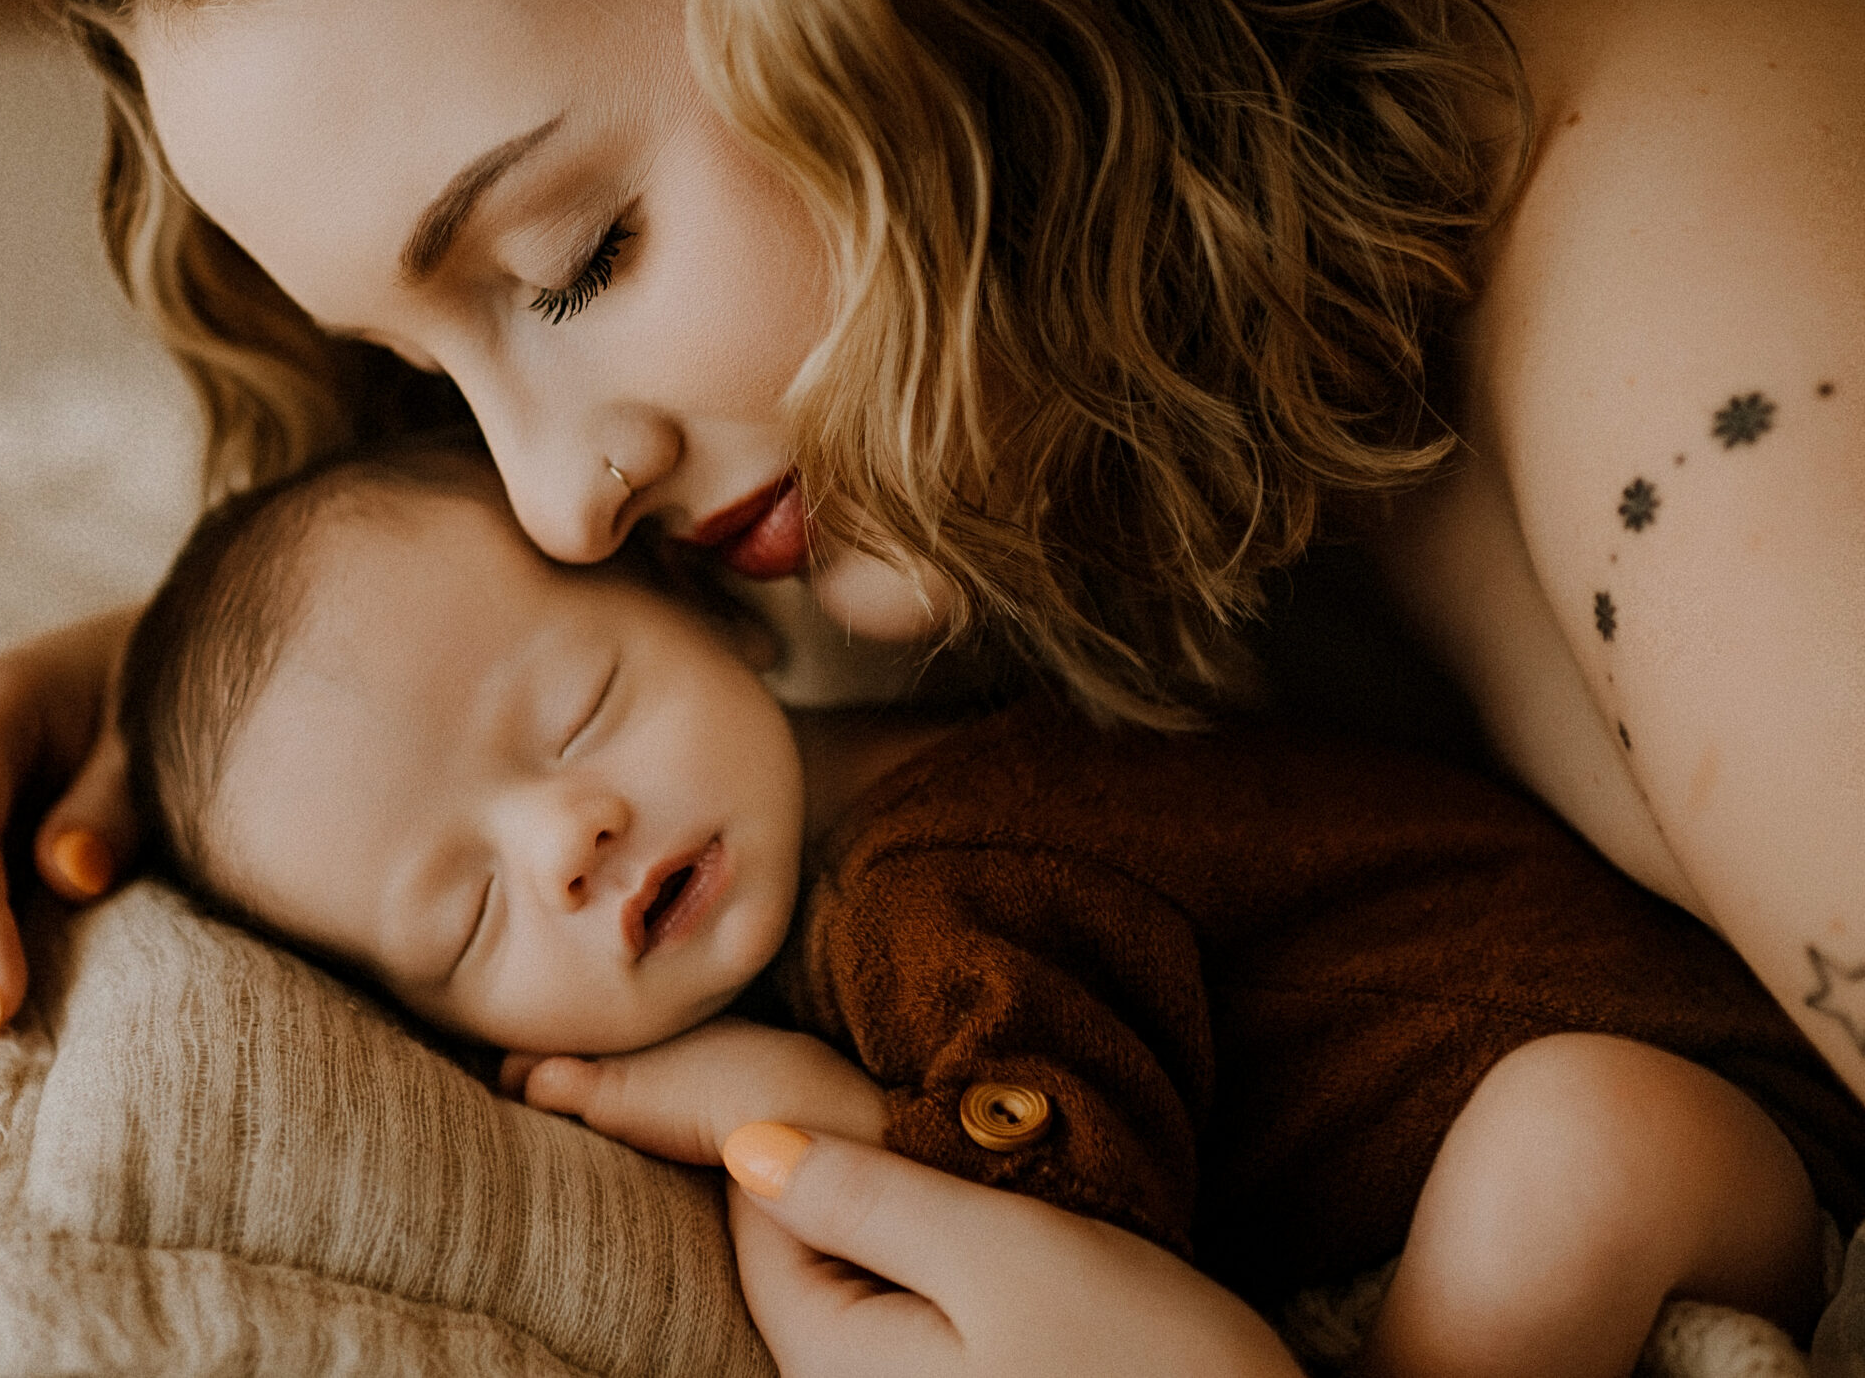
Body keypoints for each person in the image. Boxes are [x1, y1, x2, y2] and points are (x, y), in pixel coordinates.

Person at [0, 0, 1865, 1367]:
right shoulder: (1036, 360)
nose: (555, 495)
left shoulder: (1717, 368)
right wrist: (220, 682)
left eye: (575, 253)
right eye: (433, 379)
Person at [90, 443, 1853, 1376]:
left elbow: (1071, 1239)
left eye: (580, 712)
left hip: (1697, 1099)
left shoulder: (938, 874)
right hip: (1538, 1112)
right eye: (468, 912)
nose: (570, 835)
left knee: (1567, 1151)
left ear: (699, 605)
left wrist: (815, 1132)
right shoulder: (857, 808)